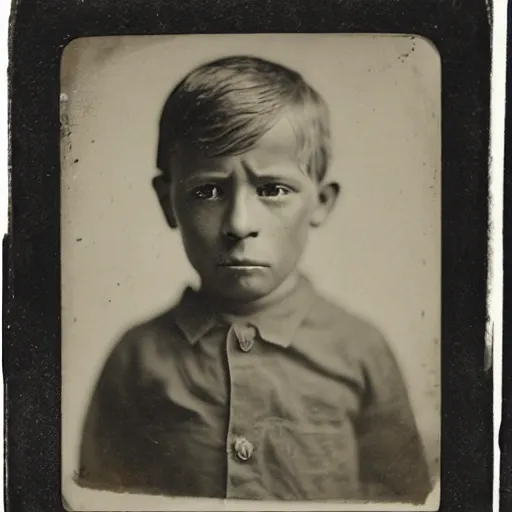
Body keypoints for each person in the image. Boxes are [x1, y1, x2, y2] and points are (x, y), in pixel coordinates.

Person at [76, 55, 432, 502]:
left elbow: (407, 499)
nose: (239, 223)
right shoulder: (137, 359)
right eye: (207, 191)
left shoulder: (360, 351)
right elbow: (97, 499)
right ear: (169, 202)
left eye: (272, 190)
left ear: (320, 202)